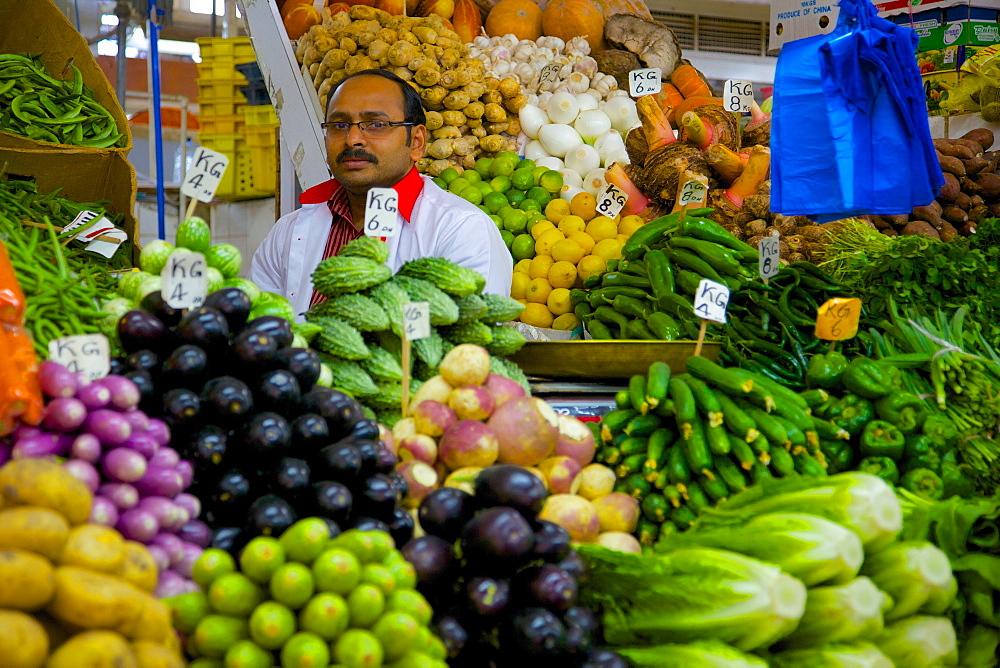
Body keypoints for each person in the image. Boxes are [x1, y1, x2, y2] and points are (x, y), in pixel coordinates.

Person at [249, 69, 512, 320]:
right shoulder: (287, 232)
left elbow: (466, 350)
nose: (353, 139)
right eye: (339, 125)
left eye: (376, 124)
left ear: (416, 142)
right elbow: (259, 328)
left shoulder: (461, 230)